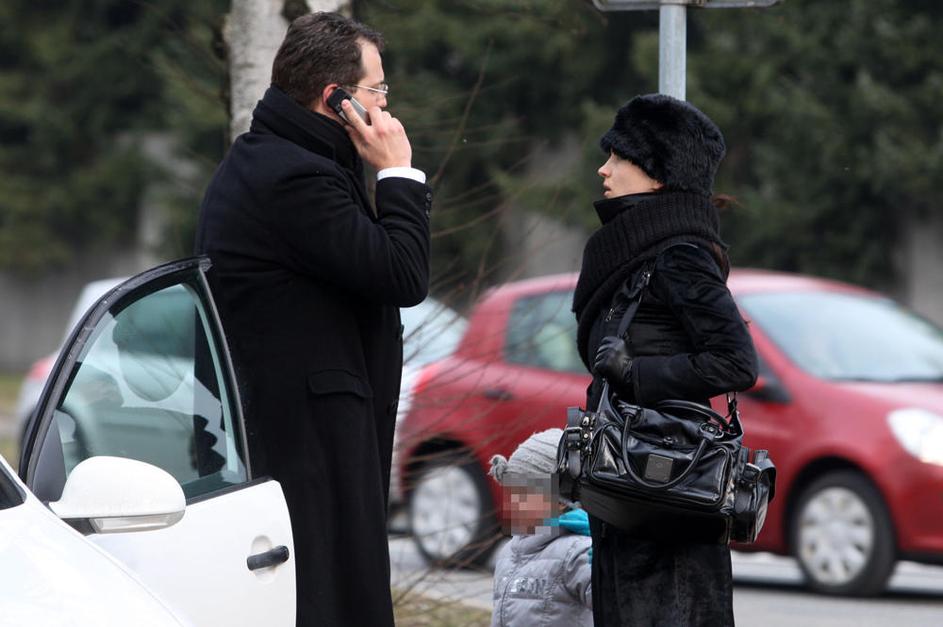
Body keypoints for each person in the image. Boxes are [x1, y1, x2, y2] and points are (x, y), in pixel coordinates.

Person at [195, 12, 431, 627]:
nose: (386, 105)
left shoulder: (289, 161)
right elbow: (402, 275)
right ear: (336, 99)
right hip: (307, 454)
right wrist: (398, 172)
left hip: (312, 444)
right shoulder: (293, 177)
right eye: (377, 90)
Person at [572, 94, 758, 626]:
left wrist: (637, 374)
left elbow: (736, 362)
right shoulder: (633, 254)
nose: (604, 169)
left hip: (670, 496)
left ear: (657, 175)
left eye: (618, 157)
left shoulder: (680, 255)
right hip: (627, 493)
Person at [489, 428, 593, 627]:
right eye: (511, 492)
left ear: (560, 500)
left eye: (524, 493)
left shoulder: (578, 552)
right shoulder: (508, 553)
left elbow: (619, 605)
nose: (513, 502)